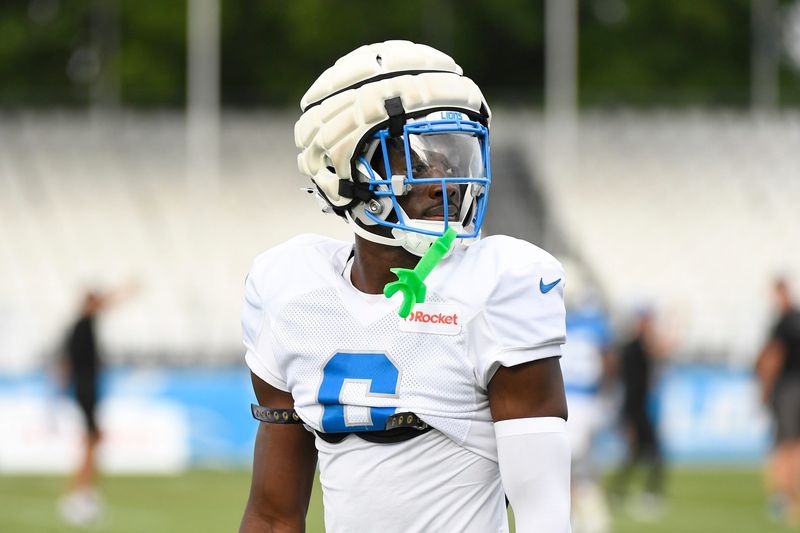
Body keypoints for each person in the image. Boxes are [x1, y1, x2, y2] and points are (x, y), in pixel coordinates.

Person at [239, 41, 571, 532]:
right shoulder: (289, 293)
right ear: (344, 167)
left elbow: (544, 516)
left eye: (458, 155)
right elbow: (272, 516)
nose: (449, 180)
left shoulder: (497, 286)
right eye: (421, 156)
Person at [58, 285, 136, 526]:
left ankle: (83, 492)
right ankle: (78, 495)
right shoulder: (82, 325)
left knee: (93, 439)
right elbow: (66, 362)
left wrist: (124, 293)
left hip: (86, 389)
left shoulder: (83, 324)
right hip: (86, 389)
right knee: (93, 440)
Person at [560, 284, 614, 533]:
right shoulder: (598, 328)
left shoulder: (564, 324)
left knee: (564, 468)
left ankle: (579, 520)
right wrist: (606, 394)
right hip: (585, 401)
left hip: (564, 401)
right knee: (581, 469)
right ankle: (592, 520)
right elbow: (608, 363)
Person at [609, 308, 668, 519]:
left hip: (638, 408)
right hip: (636, 410)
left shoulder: (636, 347)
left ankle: (618, 491)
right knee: (655, 455)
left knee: (636, 456)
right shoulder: (633, 348)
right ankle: (649, 496)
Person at [755, 278, 800, 525]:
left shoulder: (782, 323)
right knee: (795, 444)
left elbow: (773, 358)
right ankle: (791, 495)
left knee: (783, 444)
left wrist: (763, 389)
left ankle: (784, 496)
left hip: (787, 390)